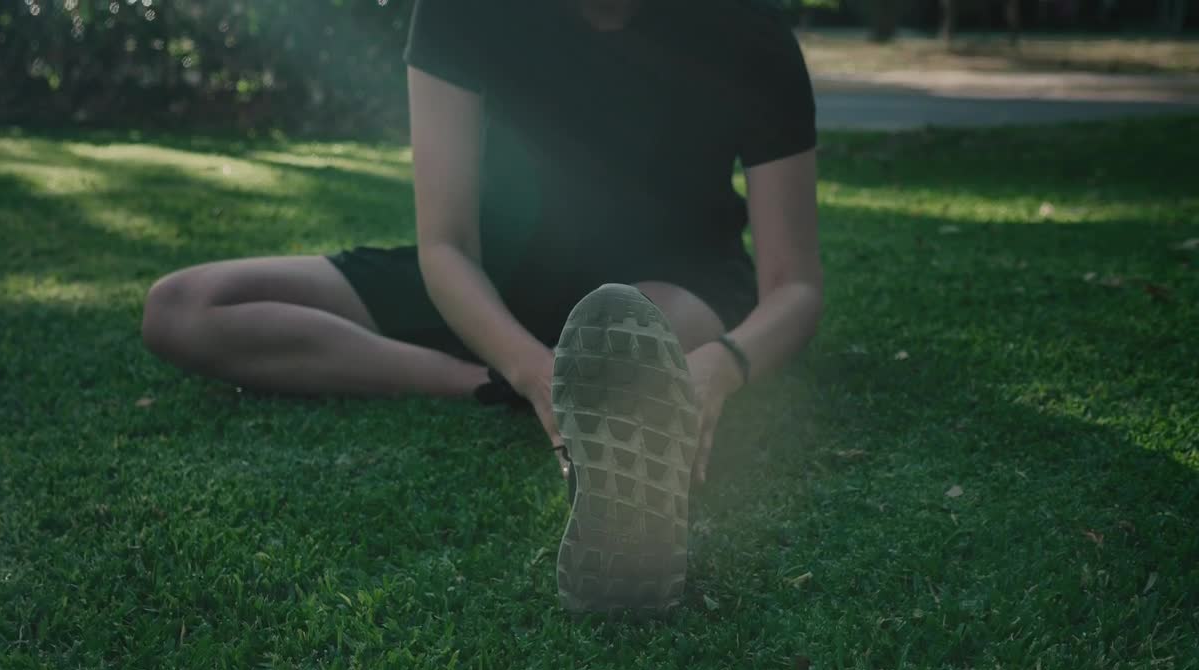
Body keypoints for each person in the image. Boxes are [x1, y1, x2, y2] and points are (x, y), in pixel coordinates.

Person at [140, 0, 823, 614]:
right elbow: (446, 245)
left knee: (626, 339)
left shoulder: (748, 26)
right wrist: (530, 373)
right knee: (183, 307)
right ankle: (492, 389)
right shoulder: (461, 9)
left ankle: (621, 502)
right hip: (489, 279)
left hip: (673, 286)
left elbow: (793, 286)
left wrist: (719, 368)